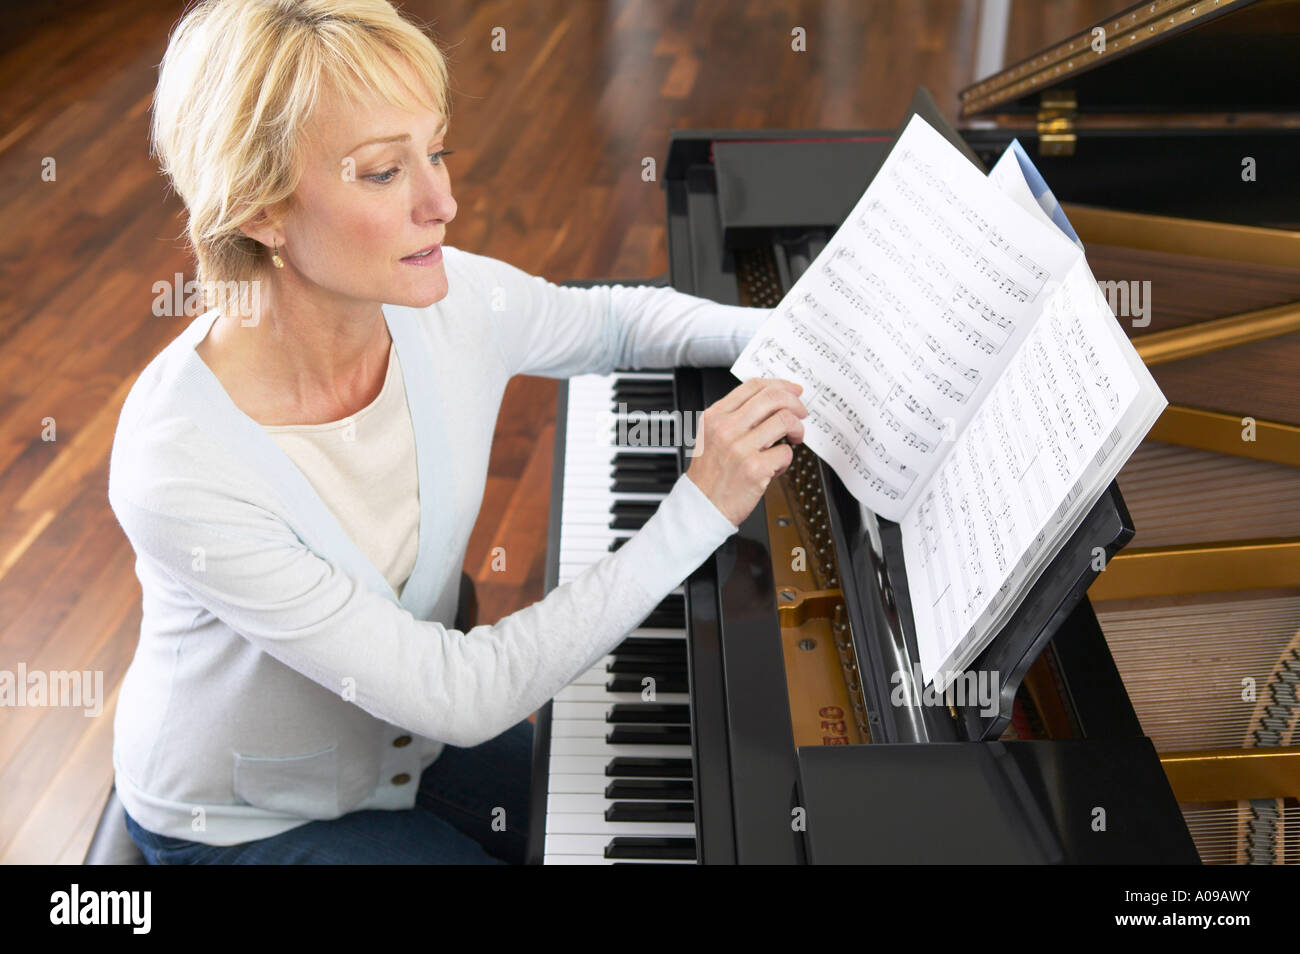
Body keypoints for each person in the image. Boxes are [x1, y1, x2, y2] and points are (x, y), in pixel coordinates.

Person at [109, 0, 806, 864]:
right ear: (259, 212)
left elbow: (616, 324)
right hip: (246, 816)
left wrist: (788, 337)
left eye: (433, 151)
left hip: (414, 745)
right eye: (381, 172)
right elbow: (465, 693)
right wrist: (698, 507)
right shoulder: (177, 464)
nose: (443, 201)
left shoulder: (442, 300)